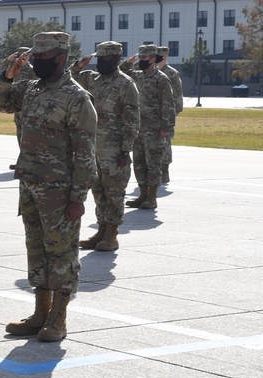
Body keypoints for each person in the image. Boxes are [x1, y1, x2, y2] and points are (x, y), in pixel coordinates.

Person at [0, 31, 98, 342]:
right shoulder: (31, 89)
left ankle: (59, 318)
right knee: (36, 250)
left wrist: (79, 197)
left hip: (60, 190)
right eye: (33, 57)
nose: (36, 62)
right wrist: (7, 75)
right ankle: (40, 312)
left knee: (61, 253)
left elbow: (85, 152)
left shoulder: (77, 98)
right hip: (30, 183)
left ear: (61, 58)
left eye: (43, 58)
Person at [71, 41, 139, 251]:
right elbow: (69, 78)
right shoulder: (93, 79)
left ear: (117, 58)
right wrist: (79, 64)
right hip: (93, 147)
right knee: (98, 191)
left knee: (115, 193)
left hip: (114, 149)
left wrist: (125, 150)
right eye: (99, 59)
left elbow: (131, 120)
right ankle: (101, 230)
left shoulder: (126, 84)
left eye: (106, 59)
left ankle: (112, 234)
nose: (101, 63)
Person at [122, 44, 175, 209]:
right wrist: (127, 62)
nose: (141, 61)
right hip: (138, 127)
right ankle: (143, 195)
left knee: (153, 164)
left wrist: (165, 128)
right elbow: (120, 73)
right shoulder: (137, 76)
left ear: (153, 59)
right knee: (139, 163)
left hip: (154, 128)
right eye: (140, 58)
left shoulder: (162, 79)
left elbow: (168, 105)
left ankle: (152, 197)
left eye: (144, 58)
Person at [2, 46, 33, 169]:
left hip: (27, 108)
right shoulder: (14, 68)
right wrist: (8, 60)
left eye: (25, 56)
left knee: (27, 136)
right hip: (17, 108)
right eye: (20, 55)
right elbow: (3, 71)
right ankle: (22, 160)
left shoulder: (32, 71)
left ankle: (28, 161)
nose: (23, 58)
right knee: (19, 135)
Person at [156, 45, 183, 183]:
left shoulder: (172, 74)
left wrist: (172, 115)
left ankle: (165, 171)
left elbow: (178, 96)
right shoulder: (149, 71)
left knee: (165, 143)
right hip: (150, 114)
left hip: (166, 114)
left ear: (165, 57)